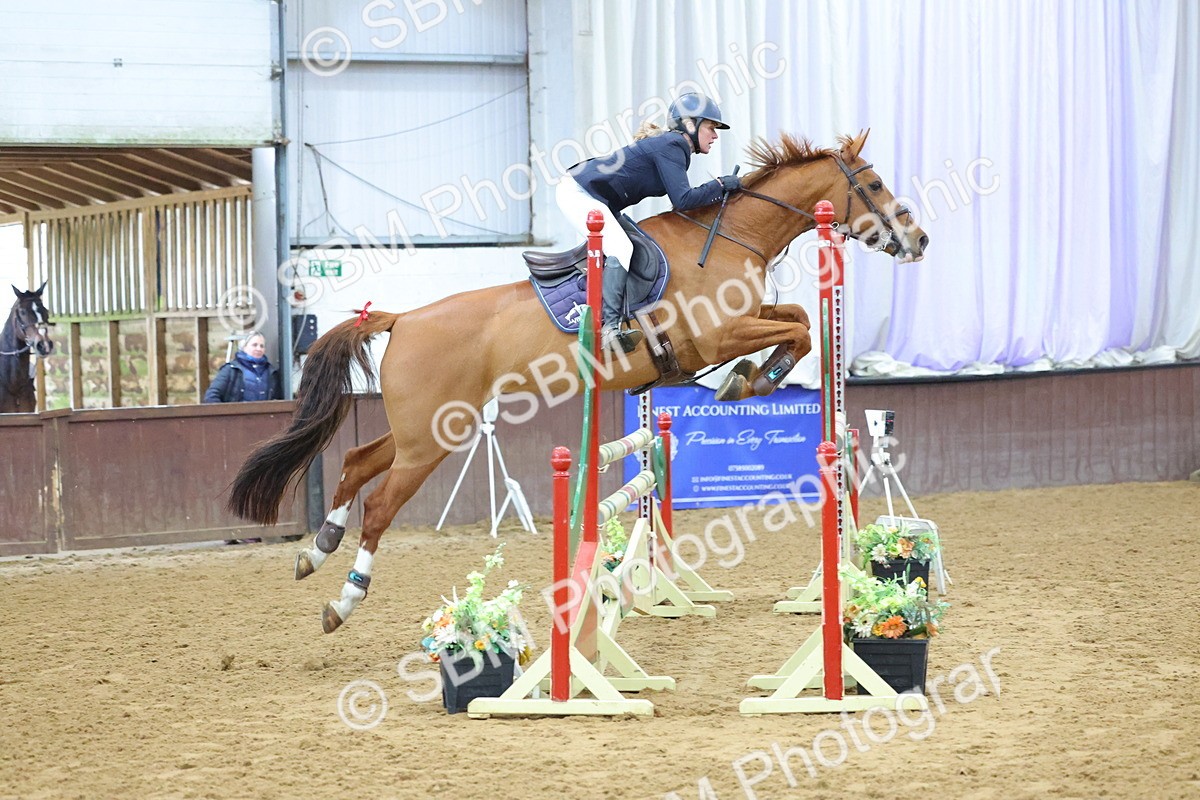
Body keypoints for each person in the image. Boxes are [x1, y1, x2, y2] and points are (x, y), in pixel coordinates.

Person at [558, 91, 741, 353]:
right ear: (690, 125)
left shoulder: (673, 146)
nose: (715, 135)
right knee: (622, 248)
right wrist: (720, 185)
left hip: (597, 198)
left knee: (641, 245)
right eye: (711, 127)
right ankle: (609, 330)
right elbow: (684, 200)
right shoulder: (672, 145)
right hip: (579, 192)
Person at [203, 330, 283, 404]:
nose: (258, 349)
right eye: (254, 345)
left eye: (262, 346)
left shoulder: (271, 372)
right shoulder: (231, 370)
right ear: (244, 347)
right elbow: (211, 396)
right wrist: (225, 414)